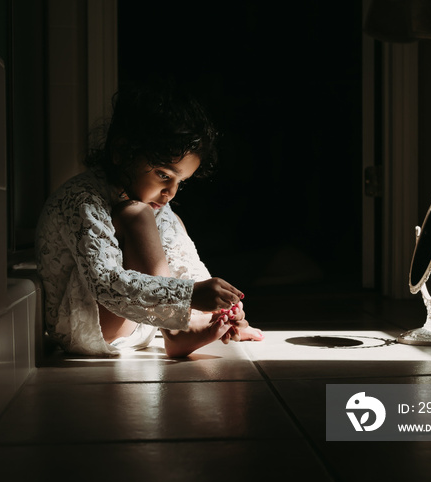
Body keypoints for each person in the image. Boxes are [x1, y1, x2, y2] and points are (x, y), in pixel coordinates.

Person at [35, 80, 263, 357]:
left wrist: (219, 307)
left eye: (181, 181)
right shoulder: (82, 199)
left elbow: (184, 265)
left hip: (141, 323)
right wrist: (191, 295)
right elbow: (107, 285)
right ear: (121, 152)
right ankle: (178, 332)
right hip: (88, 328)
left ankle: (192, 326)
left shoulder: (155, 204)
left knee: (166, 217)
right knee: (139, 213)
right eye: (164, 175)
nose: (171, 191)